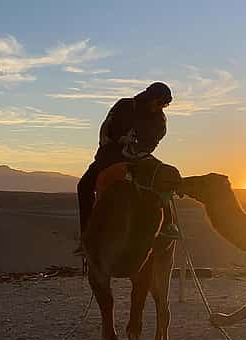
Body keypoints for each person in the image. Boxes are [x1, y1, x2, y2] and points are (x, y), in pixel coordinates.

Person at [74, 82, 179, 256]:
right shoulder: (124, 105)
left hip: (136, 158)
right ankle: (85, 238)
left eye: (164, 105)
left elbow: (151, 143)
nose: (161, 107)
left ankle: (168, 223)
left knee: (163, 177)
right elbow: (106, 127)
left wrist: (134, 146)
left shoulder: (159, 120)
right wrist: (115, 141)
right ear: (151, 98)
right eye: (160, 103)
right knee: (84, 187)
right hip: (108, 155)